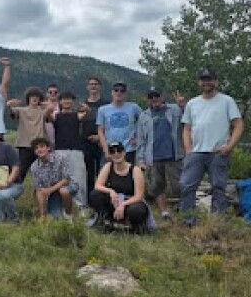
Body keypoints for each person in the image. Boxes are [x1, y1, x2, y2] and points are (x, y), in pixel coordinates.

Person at [179, 68, 244, 226]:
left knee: (218, 187)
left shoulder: (226, 101)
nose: (206, 83)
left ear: (215, 82)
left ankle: (217, 222)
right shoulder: (192, 103)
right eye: (203, 80)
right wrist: (188, 149)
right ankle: (188, 221)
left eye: (209, 79)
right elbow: (187, 128)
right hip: (196, 152)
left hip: (218, 152)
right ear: (199, 82)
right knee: (186, 185)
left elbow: (239, 124)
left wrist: (229, 147)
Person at [136, 87, 185, 220]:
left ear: (162, 97)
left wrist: (182, 106)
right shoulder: (144, 116)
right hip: (153, 157)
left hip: (174, 155)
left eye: (156, 96)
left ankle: (184, 209)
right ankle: (164, 213)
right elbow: (141, 139)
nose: (154, 99)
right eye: (151, 97)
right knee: (157, 187)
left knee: (179, 185)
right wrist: (141, 159)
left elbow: (188, 121)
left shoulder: (175, 109)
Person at [89, 142, 149, 233]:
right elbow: (97, 185)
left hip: (130, 202)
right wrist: (110, 191)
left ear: (124, 152)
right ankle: (105, 220)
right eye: (113, 152)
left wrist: (123, 204)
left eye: (119, 151)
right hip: (114, 201)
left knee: (137, 210)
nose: (116, 154)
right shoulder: (108, 167)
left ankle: (134, 226)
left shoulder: (135, 170)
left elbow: (139, 196)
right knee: (95, 195)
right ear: (110, 155)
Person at [48, 91, 90, 207]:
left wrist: (86, 108)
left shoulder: (77, 115)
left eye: (69, 99)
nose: (67, 101)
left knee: (79, 179)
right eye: (64, 99)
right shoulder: (56, 116)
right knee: (60, 179)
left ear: (73, 101)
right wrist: (48, 109)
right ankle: (62, 206)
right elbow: (48, 117)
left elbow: (86, 114)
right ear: (60, 102)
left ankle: (81, 205)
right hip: (59, 151)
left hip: (75, 151)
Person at [6, 87, 48, 188]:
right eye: (32, 96)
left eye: (37, 97)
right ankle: (12, 190)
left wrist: (46, 105)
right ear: (28, 98)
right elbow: (11, 112)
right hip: (24, 146)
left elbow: (50, 109)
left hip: (40, 146)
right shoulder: (21, 110)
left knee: (43, 172)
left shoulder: (43, 111)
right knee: (20, 171)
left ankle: (43, 193)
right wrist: (9, 105)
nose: (34, 99)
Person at [28, 137, 78, 218]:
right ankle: (48, 214)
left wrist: (49, 190)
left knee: (64, 191)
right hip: (53, 192)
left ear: (48, 148)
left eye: (42, 146)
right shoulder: (34, 167)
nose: (39, 150)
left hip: (69, 185)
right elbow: (39, 190)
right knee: (55, 217)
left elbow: (66, 180)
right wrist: (42, 215)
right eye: (36, 148)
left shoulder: (61, 158)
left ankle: (69, 215)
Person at [96, 82, 143, 163]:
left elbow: (145, 122)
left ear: (126, 94)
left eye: (122, 91)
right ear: (112, 92)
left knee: (128, 174)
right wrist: (105, 150)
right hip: (111, 149)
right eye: (116, 90)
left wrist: (139, 138)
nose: (119, 93)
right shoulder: (102, 110)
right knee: (106, 174)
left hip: (128, 149)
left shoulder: (134, 107)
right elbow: (100, 131)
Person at [80, 76, 109, 206]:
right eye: (91, 84)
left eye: (96, 84)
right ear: (87, 87)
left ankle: (104, 201)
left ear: (100, 86)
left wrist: (100, 136)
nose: (93, 86)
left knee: (103, 173)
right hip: (86, 144)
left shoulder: (106, 104)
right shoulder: (82, 105)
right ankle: (90, 203)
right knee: (88, 175)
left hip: (103, 143)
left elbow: (110, 123)